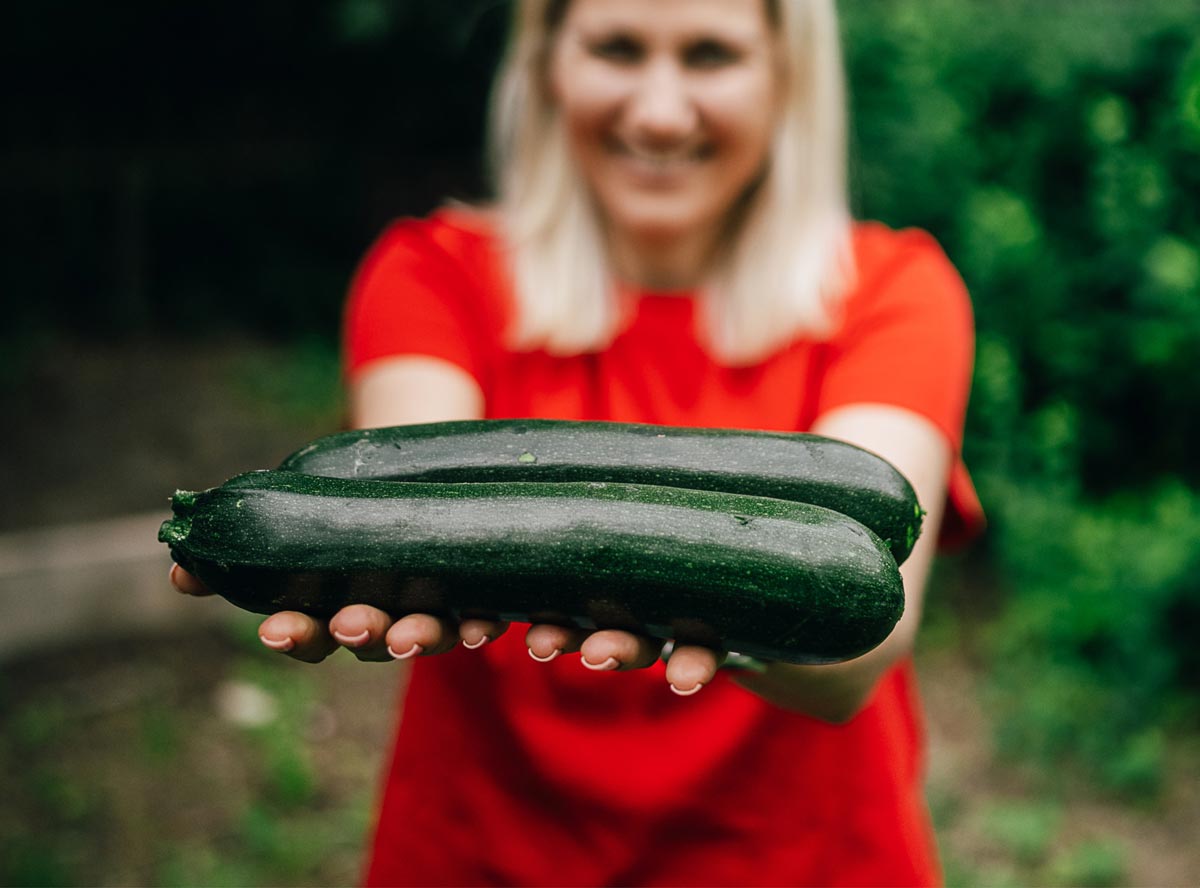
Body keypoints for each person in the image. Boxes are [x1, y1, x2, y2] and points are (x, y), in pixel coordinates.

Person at [173, 0, 984, 883]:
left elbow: (865, 626)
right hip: (483, 856)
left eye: (711, 55)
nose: (659, 111)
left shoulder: (896, 291)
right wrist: (330, 554)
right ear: (548, 58)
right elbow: (391, 505)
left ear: (788, 73)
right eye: (617, 48)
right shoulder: (431, 275)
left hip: (802, 859)